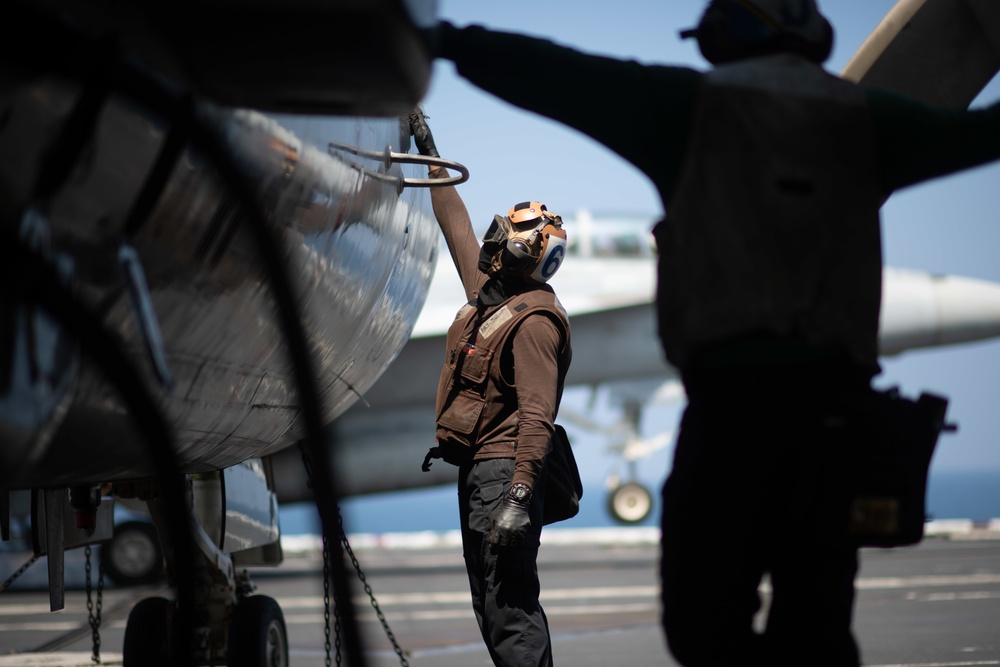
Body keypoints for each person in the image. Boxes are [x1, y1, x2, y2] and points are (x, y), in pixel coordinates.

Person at [420, 1, 1000, 665]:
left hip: (729, 420)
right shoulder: (868, 120)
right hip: (836, 421)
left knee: (703, 621)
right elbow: (982, 132)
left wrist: (438, 39)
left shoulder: (689, 109)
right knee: (816, 623)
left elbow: (558, 72)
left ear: (721, 33)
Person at [409, 107, 571, 667]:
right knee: (491, 604)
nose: (491, 240)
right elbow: (454, 223)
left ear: (526, 253)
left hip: (506, 476)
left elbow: (536, 416)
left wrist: (520, 498)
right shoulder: (493, 297)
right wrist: (431, 151)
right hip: (484, 474)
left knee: (510, 609)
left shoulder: (533, 323)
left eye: (505, 237)